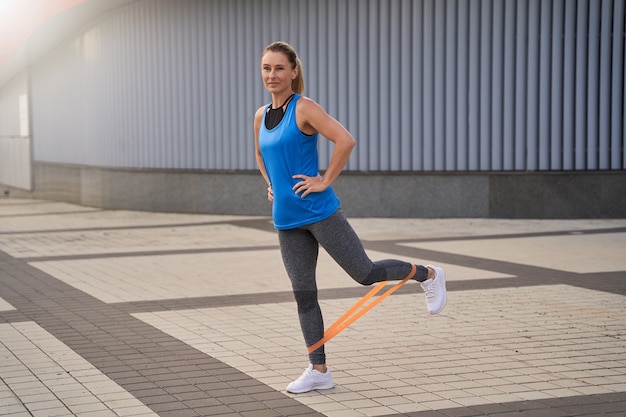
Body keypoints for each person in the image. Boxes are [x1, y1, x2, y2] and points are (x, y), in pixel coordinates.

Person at [253, 41, 447, 394]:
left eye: (279, 68)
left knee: (365, 273)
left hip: (320, 212)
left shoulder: (304, 108)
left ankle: (428, 274)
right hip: (287, 220)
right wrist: (271, 186)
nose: (272, 75)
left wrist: (324, 180)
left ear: (293, 71)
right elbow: (261, 157)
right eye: (266, 68)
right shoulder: (260, 115)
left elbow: (345, 140)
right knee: (304, 294)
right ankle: (319, 370)